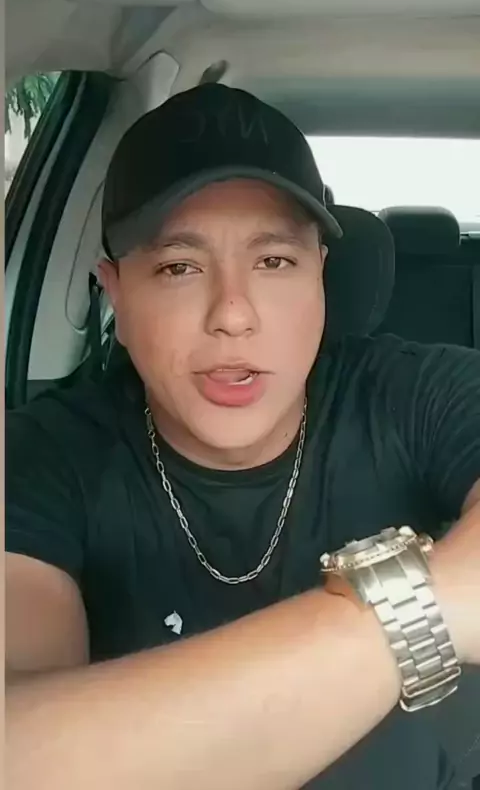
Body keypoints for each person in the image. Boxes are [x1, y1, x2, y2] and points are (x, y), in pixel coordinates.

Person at [6, 83, 480, 790]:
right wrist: (417, 610)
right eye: (179, 267)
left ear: (321, 277)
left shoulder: (417, 393)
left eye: (274, 262)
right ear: (117, 294)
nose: (232, 313)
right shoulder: (42, 456)